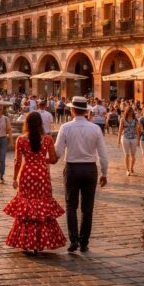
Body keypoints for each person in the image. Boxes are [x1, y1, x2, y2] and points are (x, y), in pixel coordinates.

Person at [4, 112, 66, 254]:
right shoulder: (47, 139)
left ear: (27, 123)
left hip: (27, 174)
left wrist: (14, 178)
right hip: (42, 175)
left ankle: (26, 242)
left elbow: (18, 161)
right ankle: (39, 242)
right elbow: (54, 159)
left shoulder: (21, 139)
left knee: (26, 208)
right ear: (40, 124)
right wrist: (42, 161)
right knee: (42, 206)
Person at [54, 96, 108, 253]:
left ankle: (74, 240)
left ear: (72, 110)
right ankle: (84, 241)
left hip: (72, 168)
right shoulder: (95, 128)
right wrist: (104, 173)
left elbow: (57, 151)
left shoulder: (65, 127)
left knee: (71, 206)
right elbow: (103, 154)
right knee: (87, 207)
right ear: (86, 111)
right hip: (90, 169)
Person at [117, 106, 139, 176]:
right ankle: (127, 169)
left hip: (133, 138)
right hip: (125, 138)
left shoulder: (135, 120)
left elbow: (137, 130)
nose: (130, 113)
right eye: (129, 111)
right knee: (127, 155)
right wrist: (118, 140)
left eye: (131, 111)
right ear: (126, 111)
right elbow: (120, 130)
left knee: (133, 155)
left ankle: (131, 168)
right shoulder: (123, 119)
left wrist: (138, 139)